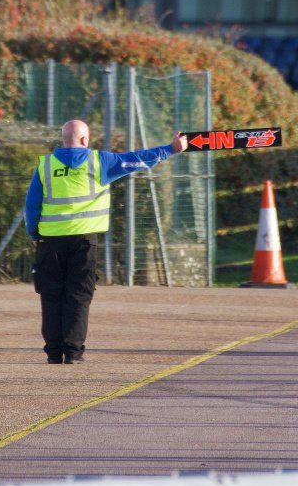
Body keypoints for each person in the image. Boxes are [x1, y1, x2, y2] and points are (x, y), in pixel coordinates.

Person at [25, 121, 189, 365]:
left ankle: (53, 352)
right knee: (79, 295)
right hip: (84, 241)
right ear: (85, 139)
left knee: (51, 296)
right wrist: (171, 149)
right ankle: (73, 352)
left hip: (50, 241)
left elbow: (31, 206)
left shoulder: (46, 165)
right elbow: (137, 159)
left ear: (63, 139)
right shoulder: (99, 161)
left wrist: (34, 234)